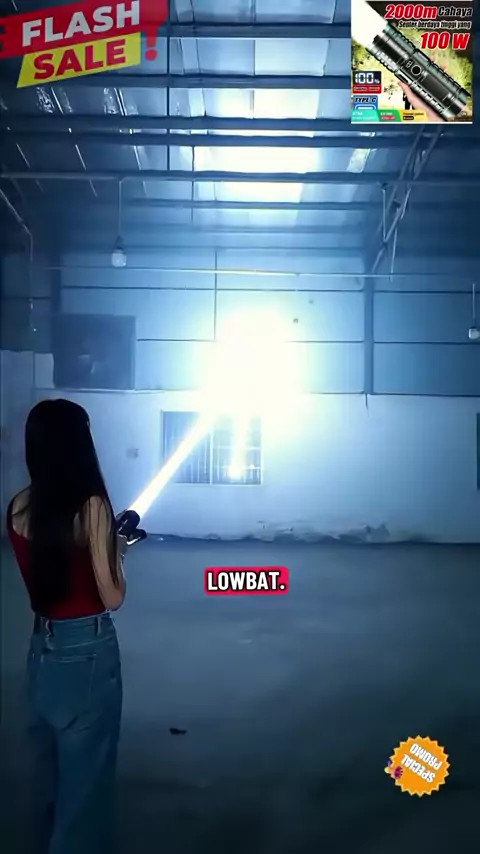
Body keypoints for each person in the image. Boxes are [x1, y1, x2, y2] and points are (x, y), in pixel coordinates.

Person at [7, 399, 128, 854]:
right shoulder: (91, 507)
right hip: (87, 653)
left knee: (50, 786)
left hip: (42, 651)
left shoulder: (19, 506)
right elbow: (112, 596)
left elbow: (53, 569)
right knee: (84, 798)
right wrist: (116, 553)